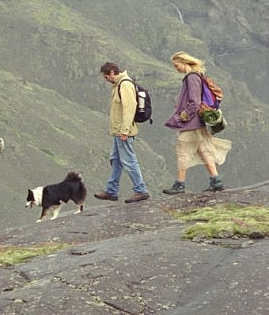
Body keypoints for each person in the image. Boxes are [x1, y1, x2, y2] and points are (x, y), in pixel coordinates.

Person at [163, 52, 231, 194]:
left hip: (191, 122)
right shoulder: (196, 76)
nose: (175, 68)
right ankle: (216, 181)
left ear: (184, 62)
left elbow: (194, 101)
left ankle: (180, 185)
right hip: (197, 122)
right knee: (203, 149)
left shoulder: (192, 77)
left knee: (182, 151)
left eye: (176, 65)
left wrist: (185, 115)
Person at [93, 62, 150, 204]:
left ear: (112, 72)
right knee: (116, 160)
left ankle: (141, 190)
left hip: (124, 132)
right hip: (119, 131)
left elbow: (129, 108)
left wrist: (124, 131)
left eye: (106, 76)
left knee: (129, 160)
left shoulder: (124, 85)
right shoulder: (118, 85)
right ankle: (111, 190)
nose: (106, 79)